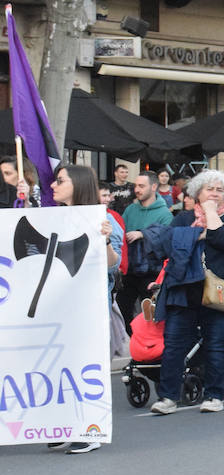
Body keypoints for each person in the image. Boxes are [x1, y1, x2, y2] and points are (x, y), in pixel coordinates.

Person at [146, 170, 224, 415]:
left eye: (220, 190)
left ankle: (213, 395)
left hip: (217, 291)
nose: (215, 193)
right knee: (174, 345)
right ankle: (168, 397)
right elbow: (166, 242)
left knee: (216, 345)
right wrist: (196, 234)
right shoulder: (183, 217)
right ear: (198, 193)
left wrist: (210, 215)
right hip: (183, 290)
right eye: (210, 188)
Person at [45, 165, 120, 454]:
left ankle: (89, 429)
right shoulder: (52, 218)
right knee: (59, 365)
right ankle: (64, 425)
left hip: (88, 307)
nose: (54, 185)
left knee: (85, 365)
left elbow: (113, 263)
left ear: (77, 184)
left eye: (60, 181)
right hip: (59, 307)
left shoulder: (103, 219)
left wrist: (105, 240)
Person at [117, 170, 175, 334]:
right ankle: (136, 344)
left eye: (142, 186)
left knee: (151, 314)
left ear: (154, 186)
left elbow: (166, 241)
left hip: (151, 272)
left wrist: (143, 234)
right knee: (122, 310)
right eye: (136, 185)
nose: (137, 189)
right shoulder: (130, 210)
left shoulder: (164, 213)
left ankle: (150, 349)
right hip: (129, 271)